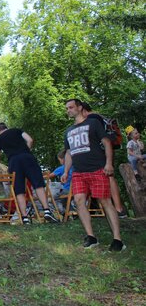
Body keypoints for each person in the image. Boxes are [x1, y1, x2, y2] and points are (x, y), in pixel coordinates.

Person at [63, 99, 125, 251]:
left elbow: (107, 143)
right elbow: (69, 152)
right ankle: (91, 237)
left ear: (79, 107)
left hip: (97, 168)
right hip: (78, 172)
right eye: (67, 108)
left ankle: (117, 239)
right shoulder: (68, 131)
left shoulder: (93, 123)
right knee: (78, 201)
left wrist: (108, 163)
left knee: (105, 202)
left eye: (71, 107)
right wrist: (65, 171)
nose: (68, 110)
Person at [0, 123, 59, 224]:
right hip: (27, 157)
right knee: (38, 184)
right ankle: (47, 211)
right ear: (7, 127)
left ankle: (24, 217)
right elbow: (30, 140)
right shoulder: (17, 130)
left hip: (14, 162)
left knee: (19, 190)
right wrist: (25, 151)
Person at [81, 102, 128, 218]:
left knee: (109, 177)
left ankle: (118, 209)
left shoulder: (92, 118)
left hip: (102, 152)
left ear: (83, 110)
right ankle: (117, 208)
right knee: (109, 177)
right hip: (108, 150)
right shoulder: (100, 117)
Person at [48, 150, 73, 214]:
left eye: (60, 160)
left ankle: (63, 212)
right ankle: (72, 213)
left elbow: (49, 176)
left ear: (64, 159)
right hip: (77, 189)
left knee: (53, 198)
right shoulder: (74, 166)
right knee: (66, 199)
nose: (60, 162)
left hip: (67, 190)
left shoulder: (62, 168)